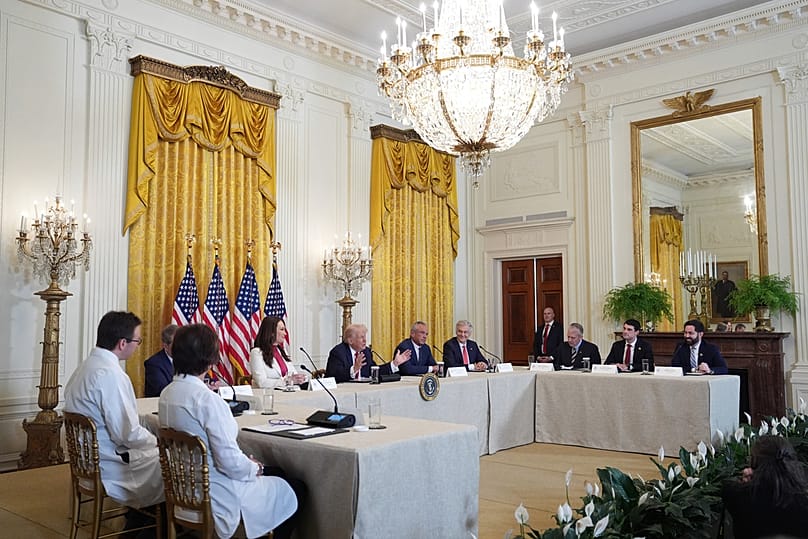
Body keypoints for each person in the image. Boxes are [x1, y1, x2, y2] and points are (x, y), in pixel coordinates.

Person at [159, 324, 304, 539]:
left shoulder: (167, 394)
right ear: (210, 359)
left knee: (278, 475)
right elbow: (229, 462)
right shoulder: (208, 401)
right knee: (297, 487)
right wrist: (255, 468)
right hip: (218, 493)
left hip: (184, 491)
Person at [63, 311, 164, 510]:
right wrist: (158, 442)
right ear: (122, 343)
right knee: (178, 463)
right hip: (111, 465)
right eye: (138, 341)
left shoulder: (85, 367)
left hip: (87, 461)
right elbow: (128, 434)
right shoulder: (110, 374)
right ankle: (153, 525)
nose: (137, 346)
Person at [721, 435, 808, 539]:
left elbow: (726, 486)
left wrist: (747, 481)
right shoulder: (803, 501)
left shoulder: (740, 496)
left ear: (754, 462)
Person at [325, 323, 411, 382]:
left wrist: (394, 364)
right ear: (350, 340)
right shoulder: (338, 352)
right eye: (361, 337)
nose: (365, 340)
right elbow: (333, 376)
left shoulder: (366, 352)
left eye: (365, 337)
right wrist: (353, 369)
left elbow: (374, 371)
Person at [249, 317, 307, 389]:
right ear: (272, 332)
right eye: (282, 329)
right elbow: (262, 382)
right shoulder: (256, 353)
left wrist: (300, 378)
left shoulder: (281, 351)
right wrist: (287, 381)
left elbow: (293, 373)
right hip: (267, 396)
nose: (285, 333)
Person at [143, 324, 178, 397]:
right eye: (176, 344)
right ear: (165, 346)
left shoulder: (187, 359)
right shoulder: (154, 364)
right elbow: (163, 391)